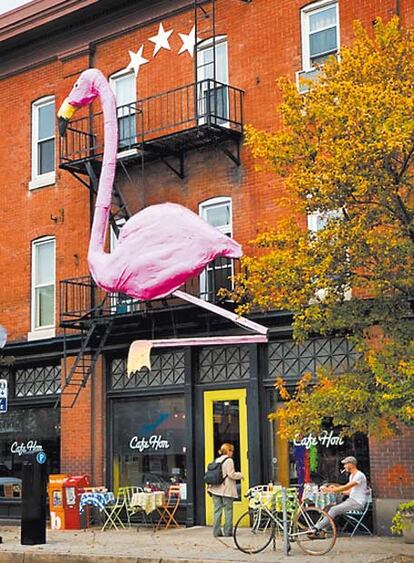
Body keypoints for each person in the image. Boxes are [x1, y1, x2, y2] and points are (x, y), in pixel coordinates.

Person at [312, 455, 368, 537]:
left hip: (357, 503)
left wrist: (331, 490)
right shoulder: (352, 476)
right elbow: (349, 491)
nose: (344, 466)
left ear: (351, 464)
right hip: (351, 500)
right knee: (330, 507)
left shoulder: (359, 475)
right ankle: (323, 530)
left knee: (334, 509)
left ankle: (316, 527)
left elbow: (347, 487)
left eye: (345, 464)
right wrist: (337, 491)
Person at [208, 443, 244, 538]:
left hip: (215, 489)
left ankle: (216, 532)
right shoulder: (229, 461)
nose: (232, 453)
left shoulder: (217, 460)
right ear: (228, 451)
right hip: (226, 489)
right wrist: (240, 475)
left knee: (217, 510)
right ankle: (228, 531)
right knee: (228, 510)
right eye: (231, 450)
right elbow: (231, 474)